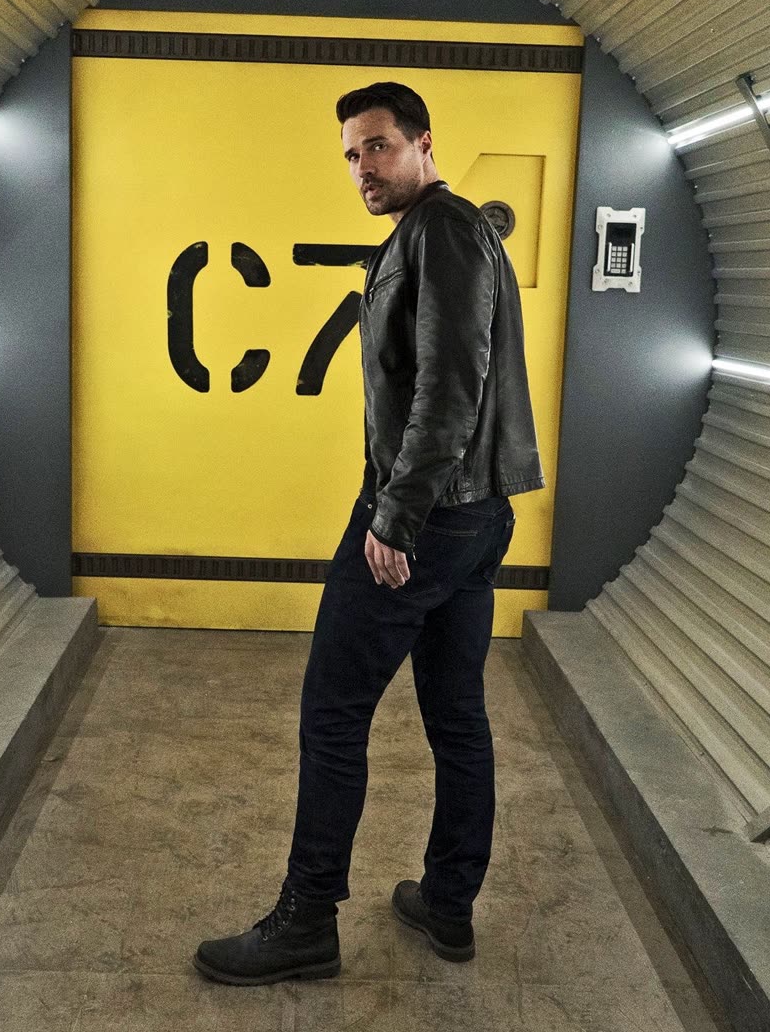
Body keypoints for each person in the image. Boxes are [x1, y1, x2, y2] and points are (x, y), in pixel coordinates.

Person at [194, 81, 545, 985]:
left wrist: (395, 515)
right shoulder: (437, 234)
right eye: (352, 155)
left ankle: (307, 920)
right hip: (473, 515)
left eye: (379, 146)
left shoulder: (441, 232)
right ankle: (449, 903)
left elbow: (449, 388)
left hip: (425, 516)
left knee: (333, 713)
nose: (363, 168)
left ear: (424, 143)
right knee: (457, 715)